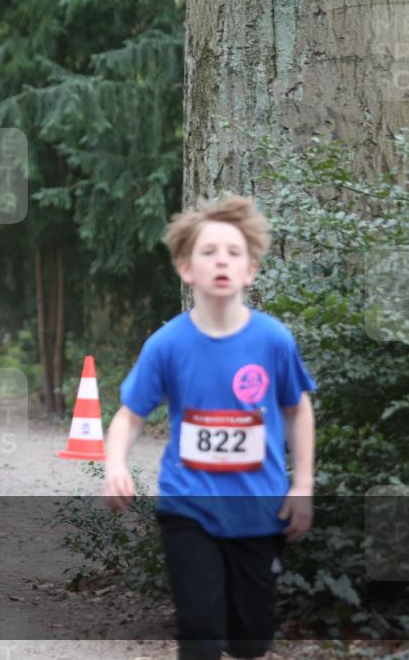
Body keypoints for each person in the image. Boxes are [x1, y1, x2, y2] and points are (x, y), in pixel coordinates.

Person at [101, 195, 316, 660]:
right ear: (186, 268)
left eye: (233, 253)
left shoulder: (274, 340)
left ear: (251, 270)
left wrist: (303, 484)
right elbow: (130, 414)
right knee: (199, 630)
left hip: (260, 512)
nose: (222, 261)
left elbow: (298, 410)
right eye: (209, 252)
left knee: (250, 640)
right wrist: (114, 463)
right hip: (188, 508)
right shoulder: (167, 344)